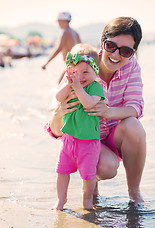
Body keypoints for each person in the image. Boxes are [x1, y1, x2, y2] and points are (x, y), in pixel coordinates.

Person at [45, 17, 146, 205]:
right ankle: (91, 190)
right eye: (111, 46)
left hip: (113, 135)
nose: (116, 54)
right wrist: (59, 113)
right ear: (102, 43)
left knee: (134, 126)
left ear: (133, 53)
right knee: (106, 167)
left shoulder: (132, 67)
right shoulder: (83, 65)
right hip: (85, 139)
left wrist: (107, 112)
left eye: (125, 50)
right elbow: (56, 126)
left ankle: (134, 193)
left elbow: (136, 107)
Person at [49, 43, 105, 210]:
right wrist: (68, 85)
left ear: (96, 71)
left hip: (88, 142)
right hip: (68, 140)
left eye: (85, 72)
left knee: (88, 176)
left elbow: (88, 104)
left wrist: (78, 88)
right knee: (62, 171)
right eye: (74, 72)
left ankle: (87, 201)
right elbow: (59, 98)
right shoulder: (70, 85)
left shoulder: (96, 87)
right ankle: (61, 200)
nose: (79, 76)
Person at [42, 11, 81, 83]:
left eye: (60, 21)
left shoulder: (65, 32)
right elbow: (82, 48)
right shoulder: (75, 33)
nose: (59, 24)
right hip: (77, 64)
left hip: (70, 65)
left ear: (65, 21)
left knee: (60, 84)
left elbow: (58, 49)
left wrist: (46, 63)